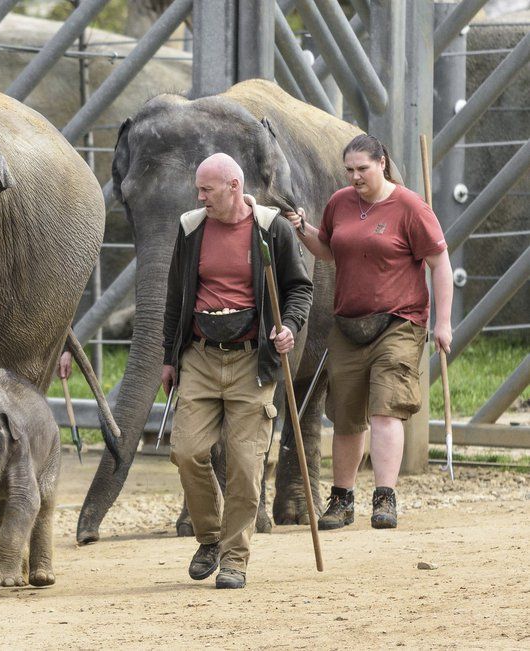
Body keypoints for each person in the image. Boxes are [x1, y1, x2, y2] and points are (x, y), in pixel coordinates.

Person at [286, 134, 452, 531]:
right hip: (348, 323)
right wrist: (303, 230)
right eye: (350, 170)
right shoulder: (340, 202)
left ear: (382, 162)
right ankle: (342, 500)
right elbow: (327, 250)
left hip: (398, 321)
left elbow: (440, 263)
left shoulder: (411, 207)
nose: (355, 176)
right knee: (345, 416)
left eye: (362, 168)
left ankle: (385, 498)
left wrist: (443, 322)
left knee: (385, 409)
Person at [162, 154, 313, 589]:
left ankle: (234, 558)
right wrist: (168, 358)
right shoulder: (191, 228)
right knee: (187, 451)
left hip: (253, 359)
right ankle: (209, 537)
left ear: (233, 186)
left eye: (207, 189)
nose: (199, 196)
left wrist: (289, 326)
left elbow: (299, 288)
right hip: (201, 357)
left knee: (245, 466)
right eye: (198, 189)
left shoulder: (271, 229)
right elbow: (176, 295)